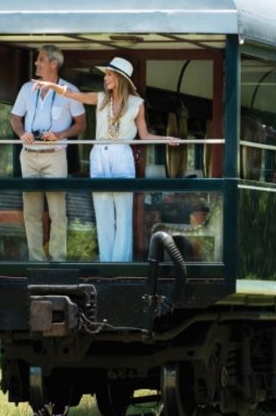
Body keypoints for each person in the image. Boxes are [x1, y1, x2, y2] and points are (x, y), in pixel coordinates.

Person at [34, 56, 176, 262]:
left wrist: (166, 139)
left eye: (109, 75)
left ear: (120, 78)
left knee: (123, 212)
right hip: (99, 153)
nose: (106, 79)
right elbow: (74, 95)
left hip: (122, 154)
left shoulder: (137, 104)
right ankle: (106, 262)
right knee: (103, 212)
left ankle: (120, 263)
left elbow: (143, 135)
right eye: (106, 75)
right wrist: (51, 85)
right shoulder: (101, 99)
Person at [10, 45, 86, 261]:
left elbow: (81, 124)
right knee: (31, 212)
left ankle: (58, 260)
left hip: (55, 156)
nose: (36, 63)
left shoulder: (69, 90)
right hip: (29, 155)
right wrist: (22, 133)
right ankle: (36, 260)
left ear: (54, 63)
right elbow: (15, 118)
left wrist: (61, 134)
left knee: (57, 212)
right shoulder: (26, 88)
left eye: (41, 59)